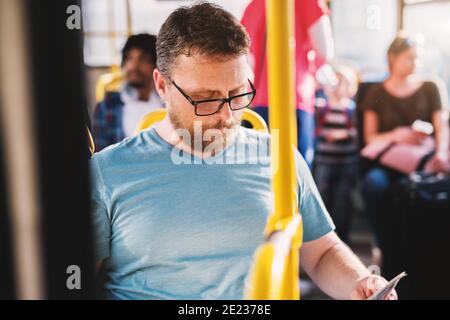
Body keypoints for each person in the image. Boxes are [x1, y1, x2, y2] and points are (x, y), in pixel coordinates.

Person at [90, 2, 396, 300]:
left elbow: (322, 252)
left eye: (237, 94)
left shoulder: (280, 158)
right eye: (205, 98)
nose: (226, 116)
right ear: (162, 85)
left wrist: (359, 281)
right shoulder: (107, 173)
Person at [362, 35, 450, 276]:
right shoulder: (375, 92)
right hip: (389, 162)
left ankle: (418, 256)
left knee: (410, 189)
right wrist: (397, 134)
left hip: (422, 162)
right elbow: (371, 138)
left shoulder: (431, 87)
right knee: (373, 184)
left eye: (417, 57)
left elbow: (442, 127)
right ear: (393, 58)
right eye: (409, 57)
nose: (415, 62)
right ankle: (385, 246)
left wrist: (442, 154)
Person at [241, 0, 335, 168]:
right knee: (297, 171)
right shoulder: (309, 3)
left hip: (260, 102)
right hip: (296, 98)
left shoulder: (252, 6)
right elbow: (325, 50)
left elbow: (247, 59)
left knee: (263, 170)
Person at [93, 33, 163, 151]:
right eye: (129, 58)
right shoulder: (107, 106)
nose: (134, 66)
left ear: (156, 64)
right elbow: (99, 156)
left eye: (143, 59)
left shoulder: (167, 104)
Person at [314, 64, 359, 243]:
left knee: (343, 201)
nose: (338, 86)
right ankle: (323, 238)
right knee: (323, 198)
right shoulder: (323, 107)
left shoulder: (350, 109)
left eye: (343, 83)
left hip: (346, 163)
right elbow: (316, 128)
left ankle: (342, 239)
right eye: (336, 81)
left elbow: (357, 132)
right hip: (325, 161)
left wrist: (343, 134)